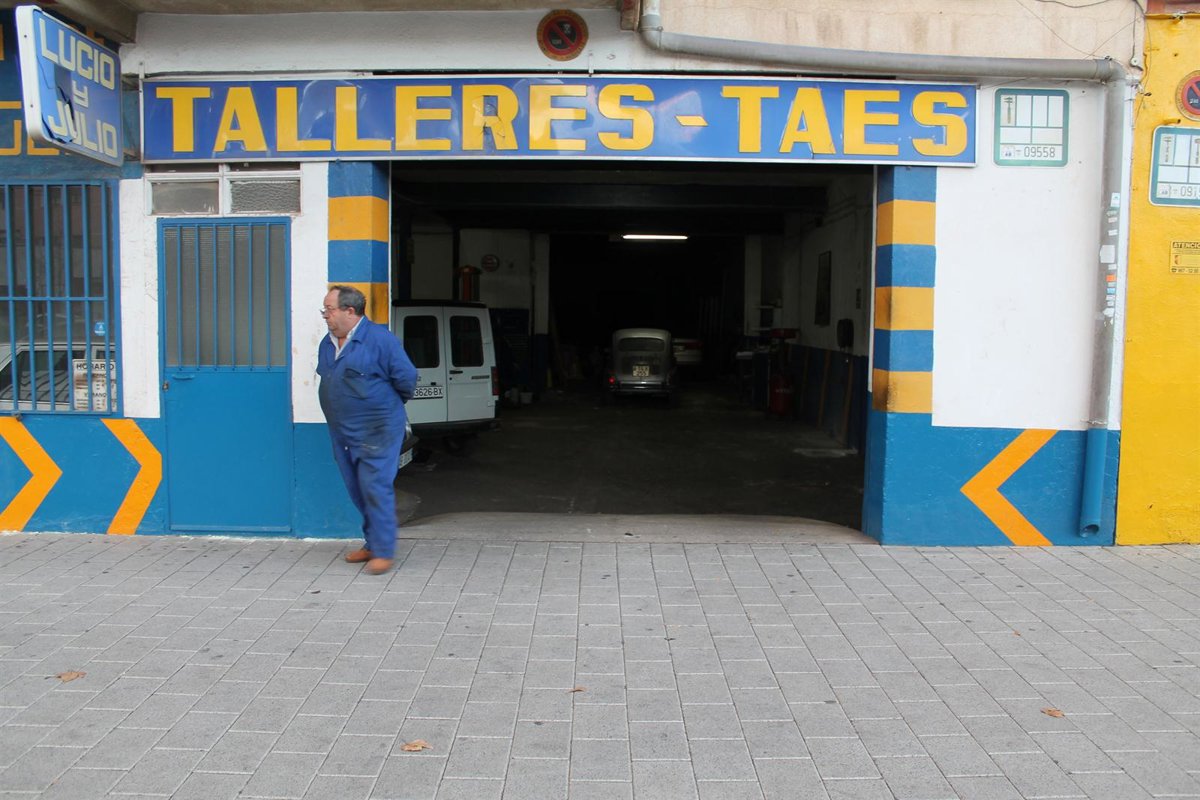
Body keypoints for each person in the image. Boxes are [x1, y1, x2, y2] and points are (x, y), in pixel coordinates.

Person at [316, 285, 417, 575]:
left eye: (329, 309)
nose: (325, 315)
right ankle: (373, 543)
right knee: (357, 488)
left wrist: (383, 407)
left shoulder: (380, 340)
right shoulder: (328, 343)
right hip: (342, 432)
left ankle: (384, 550)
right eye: (324, 310)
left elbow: (407, 378)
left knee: (375, 487)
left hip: (377, 430)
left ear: (350, 311)